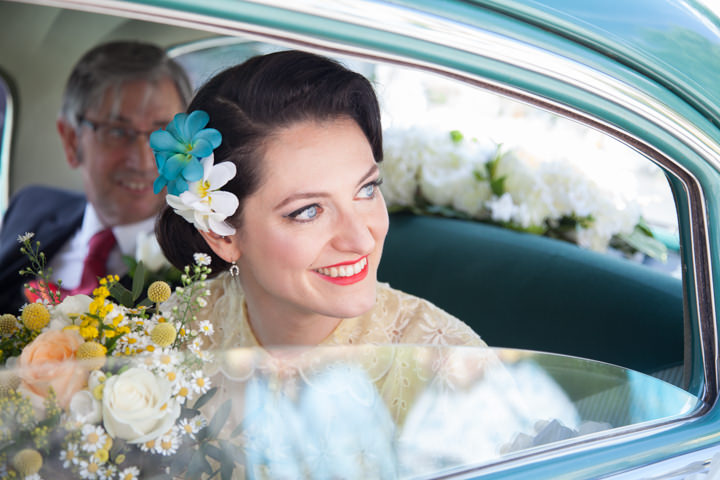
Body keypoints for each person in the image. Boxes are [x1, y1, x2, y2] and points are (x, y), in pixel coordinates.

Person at [155, 48, 484, 416]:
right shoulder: (174, 332)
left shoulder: (452, 367)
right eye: (308, 211)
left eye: (367, 190)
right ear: (222, 235)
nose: (361, 240)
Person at [0, 41, 192, 314]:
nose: (142, 160)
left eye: (162, 131)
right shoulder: (31, 207)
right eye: (117, 132)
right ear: (71, 140)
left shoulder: (200, 265)